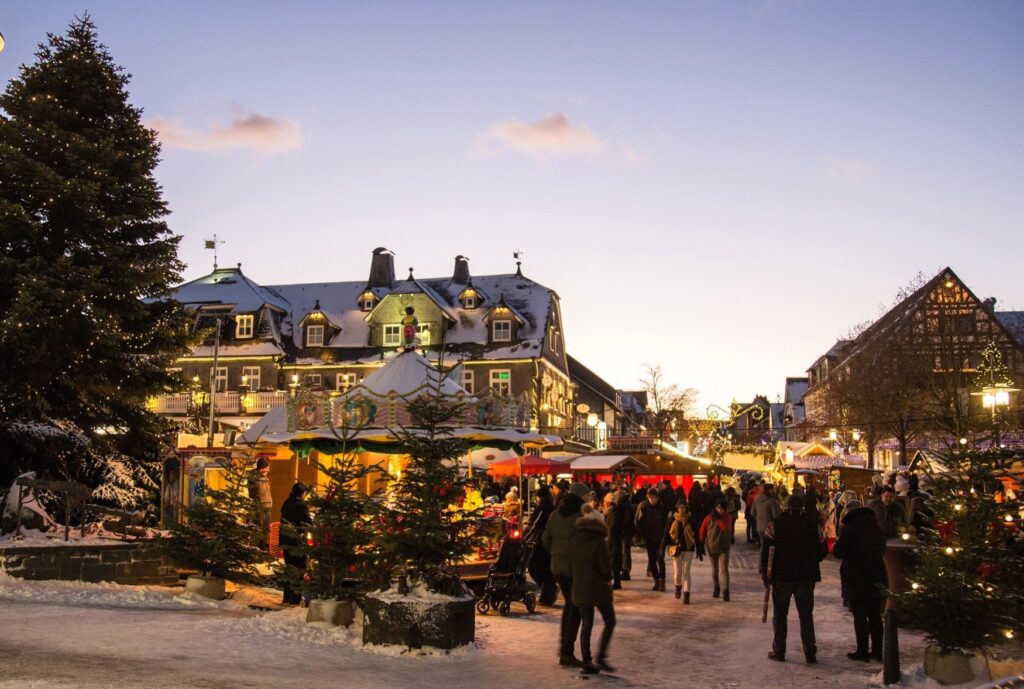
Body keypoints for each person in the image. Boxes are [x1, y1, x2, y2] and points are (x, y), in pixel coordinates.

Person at [760, 494, 828, 664]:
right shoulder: (813, 526)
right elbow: (823, 548)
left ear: (786, 506)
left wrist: (765, 572)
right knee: (806, 615)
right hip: (805, 576)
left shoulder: (775, 525)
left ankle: (779, 650)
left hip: (782, 576)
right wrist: (812, 560)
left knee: (780, 615)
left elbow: (766, 549)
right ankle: (810, 652)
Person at [543, 481, 589, 667]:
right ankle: (566, 651)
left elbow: (545, 539)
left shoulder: (555, 515)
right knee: (575, 608)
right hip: (575, 568)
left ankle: (565, 648)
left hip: (557, 567)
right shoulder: (582, 517)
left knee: (570, 605)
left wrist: (556, 552)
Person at [833, 505, 887, 661]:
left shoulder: (850, 530)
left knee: (860, 616)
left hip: (856, 576)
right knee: (875, 615)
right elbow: (882, 551)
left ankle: (862, 650)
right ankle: (878, 651)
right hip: (876, 576)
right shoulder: (878, 529)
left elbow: (838, 552)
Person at [570, 503, 617, 675]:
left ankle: (587, 661)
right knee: (610, 620)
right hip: (597, 589)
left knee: (586, 624)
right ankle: (601, 657)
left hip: (580, 587)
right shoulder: (598, 542)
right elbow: (605, 570)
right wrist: (608, 578)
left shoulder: (575, 540)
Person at [525, 485, 558, 605]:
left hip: (540, 541)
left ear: (539, 497)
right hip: (550, 541)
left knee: (534, 567)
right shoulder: (552, 507)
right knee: (546, 568)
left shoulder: (542, 508)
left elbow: (534, 525)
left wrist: (524, 536)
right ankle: (547, 595)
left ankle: (548, 591)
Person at [279, 482, 310, 605]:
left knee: (290, 568)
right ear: (301, 493)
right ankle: (295, 597)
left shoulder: (287, 503)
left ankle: (287, 597)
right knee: (299, 568)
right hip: (297, 541)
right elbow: (307, 524)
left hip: (286, 541)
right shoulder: (300, 506)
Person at [635, 488, 669, 591]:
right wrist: (641, 534)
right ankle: (656, 581)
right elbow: (637, 521)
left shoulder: (663, 508)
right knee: (652, 560)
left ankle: (662, 582)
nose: (652, 500)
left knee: (660, 559)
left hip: (660, 538)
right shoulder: (643, 507)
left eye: (654, 497)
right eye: (650, 497)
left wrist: (665, 536)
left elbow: (668, 523)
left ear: (658, 498)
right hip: (649, 538)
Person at [699, 498, 734, 601]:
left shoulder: (728, 518)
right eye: (718, 508)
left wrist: (717, 518)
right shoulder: (708, 518)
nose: (719, 510)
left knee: (724, 570)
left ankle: (726, 591)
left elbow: (724, 527)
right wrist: (701, 543)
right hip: (712, 546)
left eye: (721, 508)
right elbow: (702, 530)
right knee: (714, 570)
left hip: (724, 547)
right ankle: (716, 588)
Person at [666, 501, 700, 602]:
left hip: (688, 548)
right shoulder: (672, 519)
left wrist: (699, 547)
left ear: (686, 508)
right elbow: (666, 533)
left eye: (683, 507)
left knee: (686, 572)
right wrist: (662, 546)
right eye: (679, 507)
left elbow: (696, 534)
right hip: (676, 549)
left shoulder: (691, 519)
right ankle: (678, 586)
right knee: (677, 573)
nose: (681, 509)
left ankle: (686, 594)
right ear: (677, 508)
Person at [248, 457, 273, 547]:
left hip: (267, 507)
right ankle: (258, 548)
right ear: (262, 468)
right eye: (267, 468)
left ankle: (263, 548)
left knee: (266, 530)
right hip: (260, 508)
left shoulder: (265, 478)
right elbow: (253, 493)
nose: (268, 470)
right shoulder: (254, 478)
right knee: (259, 528)